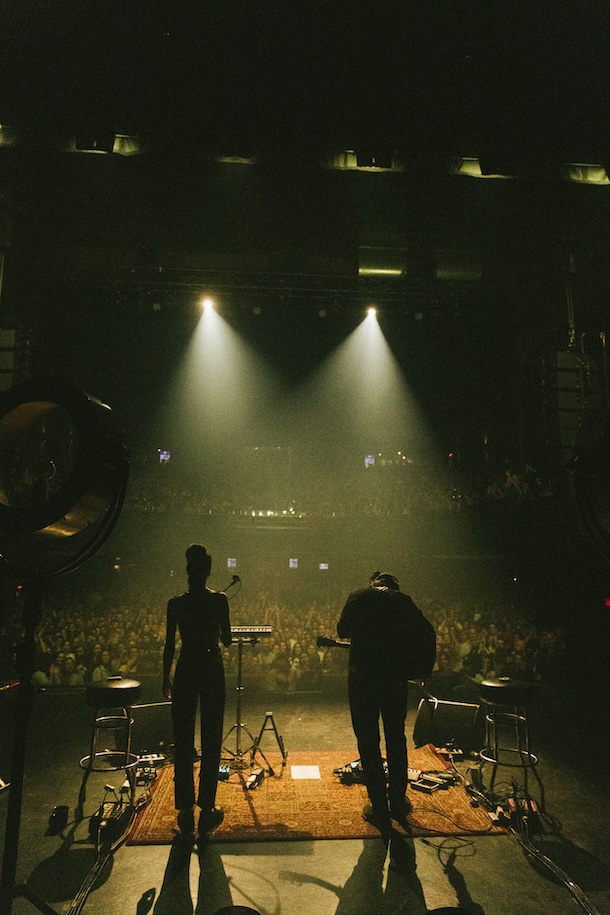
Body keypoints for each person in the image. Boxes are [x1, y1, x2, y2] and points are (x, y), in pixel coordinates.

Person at [337, 571, 436, 834]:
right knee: (395, 736)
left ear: (374, 583)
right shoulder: (404, 601)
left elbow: (342, 630)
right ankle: (398, 801)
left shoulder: (359, 596)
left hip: (362, 680)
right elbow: (427, 633)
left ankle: (378, 806)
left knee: (367, 740)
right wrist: (419, 670)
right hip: (394, 680)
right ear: (394, 586)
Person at [163, 544, 232, 838]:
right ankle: (207, 808)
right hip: (211, 668)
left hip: (186, 667)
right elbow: (227, 639)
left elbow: (169, 645)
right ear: (208, 571)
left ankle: (184, 809)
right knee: (212, 737)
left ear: (188, 571)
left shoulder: (175, 604)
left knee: (182, 738)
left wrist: (166, 678)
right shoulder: (220, 600)